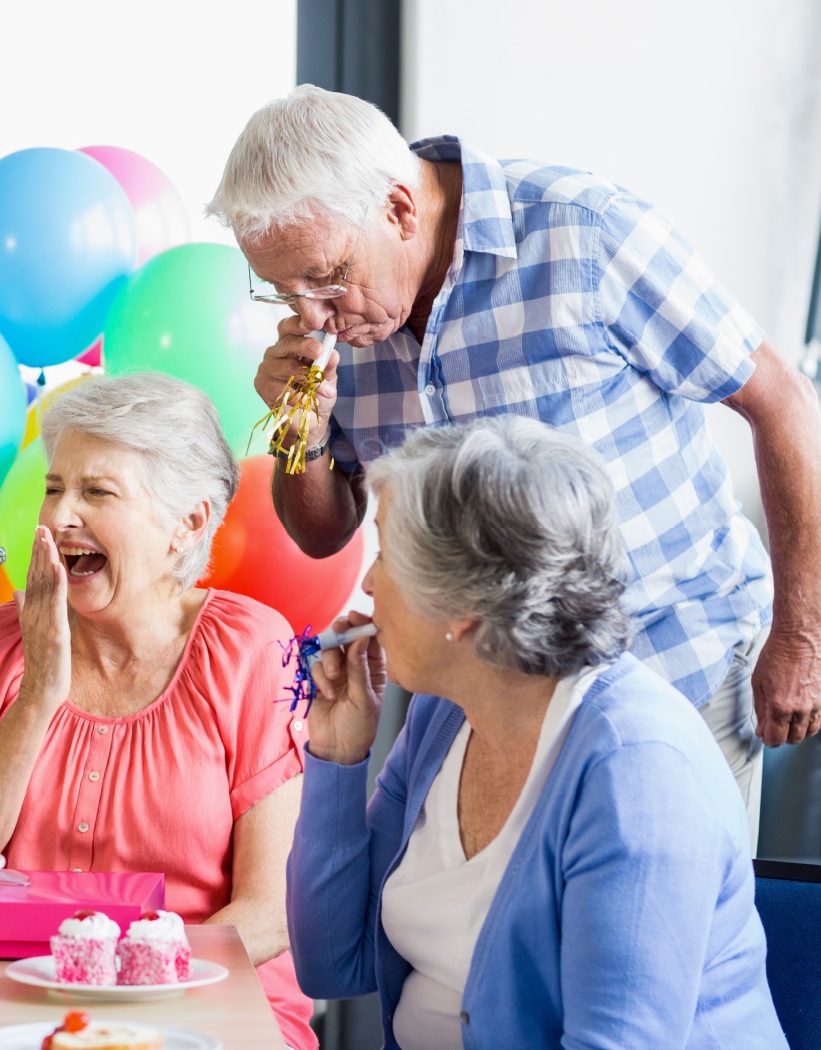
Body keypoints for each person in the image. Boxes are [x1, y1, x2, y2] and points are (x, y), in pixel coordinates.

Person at [208, 85, 821, 831]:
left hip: (669, 662)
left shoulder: (584, 233)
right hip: (475, 704)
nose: (312, 317)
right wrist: (300, 433)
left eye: (326, 277)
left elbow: (782, 402)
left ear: (401, 210)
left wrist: (801, 634)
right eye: (284, 291)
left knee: (655, 938)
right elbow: (322, 533)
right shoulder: (342, 324)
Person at [289, 415, 786, 1048]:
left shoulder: (638, 770)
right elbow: (334, 962)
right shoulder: (446, 714)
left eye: (386, 553)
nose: (366, 583)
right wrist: (337, 755)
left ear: (463, 604)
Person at [0, 373, 315, 1049]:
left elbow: (271, 911)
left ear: (186, 525)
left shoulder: (252, 647)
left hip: (211, 1002)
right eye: (53, 488)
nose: (57, 516)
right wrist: (41, 689)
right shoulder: (1, 642)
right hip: (17, 1005)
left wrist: (122, 991)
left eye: (96, 492)